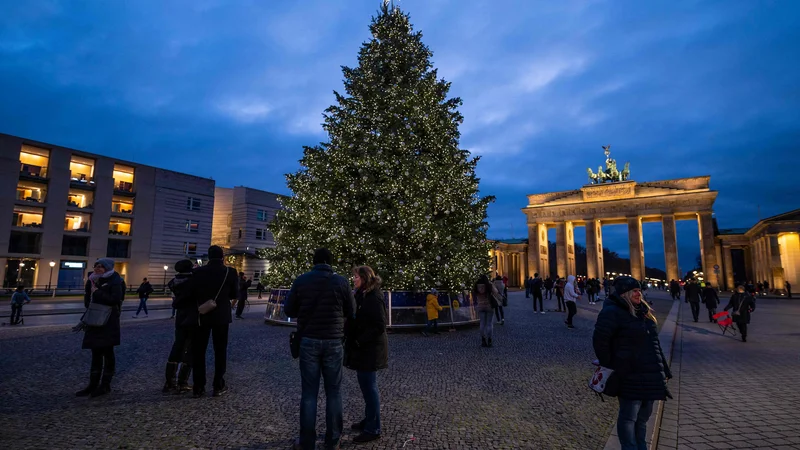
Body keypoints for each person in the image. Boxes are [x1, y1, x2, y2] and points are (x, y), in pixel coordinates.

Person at [285, 248, 356, 450]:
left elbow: (289, 309)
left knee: (309, 393)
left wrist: (305, 309)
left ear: (314, 261)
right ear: (330, 262)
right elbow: (352, 311)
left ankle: (307, 442)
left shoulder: (301, 280)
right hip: (334, 340)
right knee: (334, 391)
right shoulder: (341, 281)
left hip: (309, 340)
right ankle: (333, 439)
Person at [593, 276, 672, 450]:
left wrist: (664, 371)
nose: (639, 293)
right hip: (629, 374)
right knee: (629, 417)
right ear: (624, 294)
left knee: (643, 417)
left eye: (639, 290)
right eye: (634, 291)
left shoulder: (644, 312)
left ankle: (641, 446)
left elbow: (654, 344)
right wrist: (614, 365)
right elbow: (600, 342)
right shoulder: (612, 312)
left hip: (649, 373)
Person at [344, 265, 387, 445]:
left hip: (370, 349)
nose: (354, 279)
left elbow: (379, 325)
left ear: (365, 278)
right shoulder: (361, 295)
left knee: (370, 388)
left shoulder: (373, 297)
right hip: (363, 348)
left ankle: (373, 428)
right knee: (366, 387)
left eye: (356, 277)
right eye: (354, 277)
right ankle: (369, 419)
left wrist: (361, 340)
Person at [189, 245, 238, 398]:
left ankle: (198, 386)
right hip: (221, 315)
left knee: (199, 351)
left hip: (202, 314)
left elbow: (192, 293)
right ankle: (218, 384)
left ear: (208, 257)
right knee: (220, 350)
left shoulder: (197, 272)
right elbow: (234, 293)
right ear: (222, 256)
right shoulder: (230, 272)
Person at [76, 258, 125, 398]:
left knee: (108, 352)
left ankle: (105, 384)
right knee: (95, 352)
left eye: (101, 266)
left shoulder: (116, 280)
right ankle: (92, 384)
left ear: (108, 268)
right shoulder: (92, 280)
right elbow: (88, 299)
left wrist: (97, 293)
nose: (97, 268)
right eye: (96, 265)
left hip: (108, 321)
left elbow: (116, 299)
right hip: (94, 320)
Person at [163, 259, 195, 394]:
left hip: (180, 317)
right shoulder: (193, 282)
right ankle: (183, 382)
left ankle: (170, 381)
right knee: (191, 348)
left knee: (177, 346)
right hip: (192, 317)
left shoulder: (173, 282)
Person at [474, 274, 500, 348]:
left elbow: (475, 295)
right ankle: (489, 340)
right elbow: (496, 292)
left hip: (480, 306)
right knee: (489, 324)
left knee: (482, 323)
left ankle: (483, 340)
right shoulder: (489, 285)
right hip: (489, 306)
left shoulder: (476, 286)